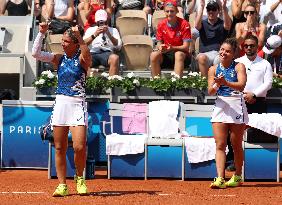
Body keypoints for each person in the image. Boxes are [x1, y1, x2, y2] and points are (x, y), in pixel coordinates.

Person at [32, 22, 92, 197]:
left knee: (80, 146)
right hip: (61, 104)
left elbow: (87, 57)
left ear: (74, 43)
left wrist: (80, 37)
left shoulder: (82, 59)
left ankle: (79, 178)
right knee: (59, 147)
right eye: (62, 41)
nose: (63, 44)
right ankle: (62, 184)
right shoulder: (59, 58)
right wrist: (41, 33)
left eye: (66, 41)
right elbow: (36, 53)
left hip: (78, 103)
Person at [208, 38, 248, 189]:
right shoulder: (213, 69)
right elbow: (210, 91)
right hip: (221, 105)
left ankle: (237, 176)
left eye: (228, 51)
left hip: (236, 104)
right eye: (222, 50)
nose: (224, 53)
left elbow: (241, 86)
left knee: (236, 144)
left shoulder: (239, 66)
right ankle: (220, 178)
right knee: (220, 143)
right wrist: (217, 84)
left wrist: (226, 82)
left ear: (233, 54)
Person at [150, 0, 192, 78]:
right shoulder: (161, 25)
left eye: (172, 11)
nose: (169, 14)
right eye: (167, 11)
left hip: (182, 55)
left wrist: (172, 48)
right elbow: (159, 43)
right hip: (166, 54)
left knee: (178, 54)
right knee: (154, 55)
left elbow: (186, 47)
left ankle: (177, 84)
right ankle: (156, 83)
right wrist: (160, 47)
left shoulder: (184, 24)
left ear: (176, 11)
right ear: (164, 12)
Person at [236, 34, 273, 114]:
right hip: (239, 101)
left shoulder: (265, 64)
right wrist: (244, 95)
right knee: (240, 126)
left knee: (258, 127)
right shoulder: (236, 62)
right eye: (246, 45)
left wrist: (254, 94)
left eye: (252, 45)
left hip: (259, 102)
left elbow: (268, 83)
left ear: (257, 47)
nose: (249, 48)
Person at [195, 0, 231, 77]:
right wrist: (201, 7)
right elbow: (196, 26)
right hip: (205, 54)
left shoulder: (222, 23)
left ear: (218, 11)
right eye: (209, 9)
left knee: (220, 59)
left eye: (214, 9)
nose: (211, 11)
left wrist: (224, 8)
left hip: (218, 53)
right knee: (201, 57)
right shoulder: (202, 23)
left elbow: (228, 26)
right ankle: (205, 84)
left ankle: (218, 84)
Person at [83, 9, 122, 75]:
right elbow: (83, 44)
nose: (102, 23)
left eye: (103, 21)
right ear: (96, 21)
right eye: (100, 21)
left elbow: (118, 46)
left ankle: (112, 83)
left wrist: (108, 34)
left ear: (106, 20)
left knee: (115, 58)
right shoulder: (90, 30)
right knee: (81, 58)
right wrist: (94, 35)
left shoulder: (113, 30)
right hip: (93, 53)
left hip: (107, 53)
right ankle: (85, 83)